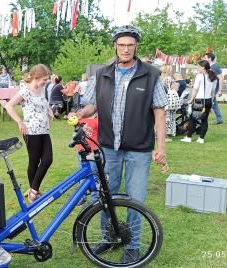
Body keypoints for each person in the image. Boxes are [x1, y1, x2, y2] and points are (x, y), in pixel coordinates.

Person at [69, 25, 167, 263]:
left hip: (139, 149)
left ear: (136, 47)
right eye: (121, 45)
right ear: (115, 45)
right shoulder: (101, 73)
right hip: (108, 148)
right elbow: (91, 105)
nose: (125, 49)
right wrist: (81, 112)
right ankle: (110, 237)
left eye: (130, 45)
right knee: (105, 196)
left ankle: (132, 245)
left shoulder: (151, 74)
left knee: (135, 200)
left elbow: (160, 112)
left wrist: (161, 147)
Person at [4, 64, 53, 203]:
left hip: (44, 130)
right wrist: (19, 121)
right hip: (31, 131)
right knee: (34, 161)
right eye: (44, 79)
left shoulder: (42, 89)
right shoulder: (25, 91)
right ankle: (34, 192)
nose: (46, 82)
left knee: (48, 159)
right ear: (36, 77)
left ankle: (33, 190)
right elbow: (9, 106)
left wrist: (49, 110)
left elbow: (43, 102)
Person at [181, 60, 217, 144]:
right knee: (204, 120)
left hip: (199, 100)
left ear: (203, 67)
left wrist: (191, 99)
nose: (197, 68)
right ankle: (201, 138)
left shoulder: (200, 76)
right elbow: (212, 91)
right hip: (208, 100)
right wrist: (211, 103)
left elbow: (195, 89)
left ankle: (189, 137)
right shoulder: (212, 76)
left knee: (192, 119)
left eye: (198, 66)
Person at [204, 52, 224, 124]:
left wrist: (220, 90)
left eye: (205, 57)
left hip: (213, 88)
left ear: (209, 58)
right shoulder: (209, 67)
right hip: (210, 88)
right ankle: (219, 119)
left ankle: (203, 118)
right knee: (213, 103)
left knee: (209, 102)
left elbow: (221, 78)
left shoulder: (214, 67)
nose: (204, 59)